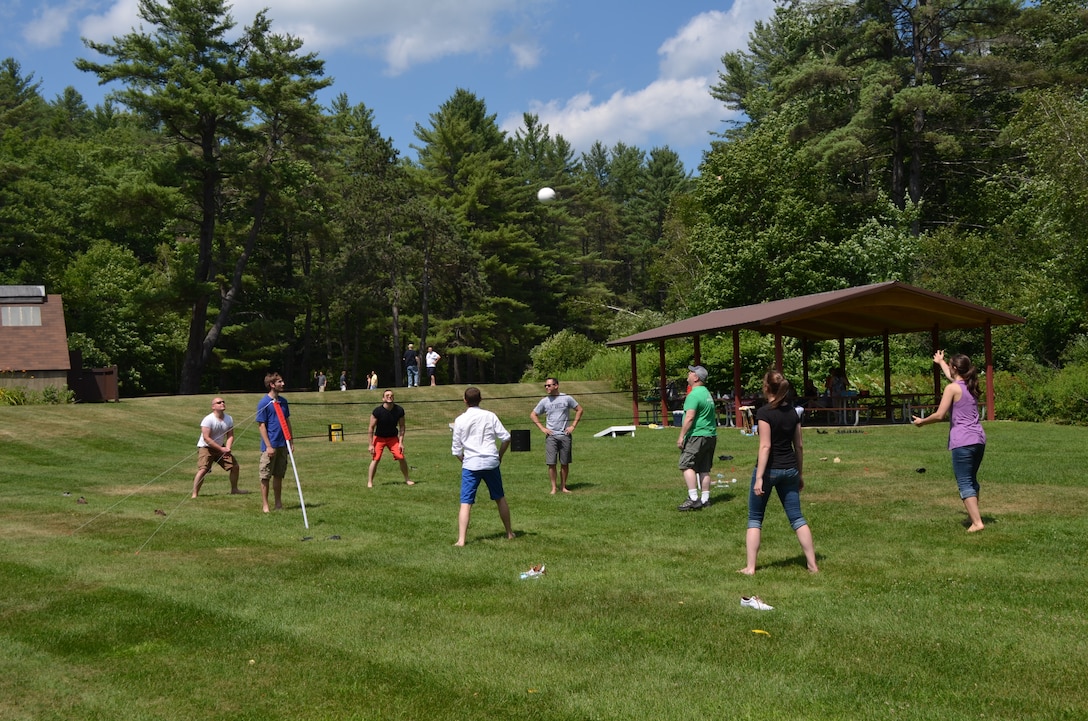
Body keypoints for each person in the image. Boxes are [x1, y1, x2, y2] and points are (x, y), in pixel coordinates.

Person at [738, 369, 819, 575]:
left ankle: (750, 567)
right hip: (790, 469)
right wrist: (799, 474)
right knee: (797, 518)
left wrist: (758, 478)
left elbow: (765, 446)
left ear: (766, 388)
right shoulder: (793, 412)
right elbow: (799, 446)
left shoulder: (765, 413)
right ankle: (812, 565)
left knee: (755, 518)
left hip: (769, 471)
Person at [912, 350, 987, 532]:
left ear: (955, 368)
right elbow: (951, 375)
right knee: (971, 480)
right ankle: (973, 517)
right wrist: (941, 362)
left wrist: (922, 422)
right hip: (979, 440)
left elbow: (939, 415)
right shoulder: (970, 385)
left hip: (962, 441)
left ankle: (977, 523)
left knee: (964, 482)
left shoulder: (952, 388)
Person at [451, 386, 514, 546]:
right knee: (499, 497)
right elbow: (506, 438)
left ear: (465, 400)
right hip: (491, 461)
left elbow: (456, 449)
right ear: (481, 399)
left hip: (471, 464)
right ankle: (509, 533)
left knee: (466, 502)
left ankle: (461, 540)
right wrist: (499, 456)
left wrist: (464, 460)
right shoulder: (490, 416)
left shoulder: (459, 420)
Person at [530, 377, 584, 494]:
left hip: (565, 435)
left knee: (564, 463)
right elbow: (533, 414)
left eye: (549, 385)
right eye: (546, 385)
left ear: (556, 386)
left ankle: (564, 486)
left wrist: (573, 426)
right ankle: (554, 488)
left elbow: (579, 410)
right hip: (551, 436)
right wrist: (543, 428)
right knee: (551, 463)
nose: (547, 387)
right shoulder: (544, 401)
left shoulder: (567, 398)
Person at [676, 365, 717, 511]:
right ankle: (705, 499)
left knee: (686, 465)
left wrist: (681, 436)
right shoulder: (706, 393)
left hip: (696, 435)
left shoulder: (693, 395)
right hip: (710, 435)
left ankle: (693, 498)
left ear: (696, 377)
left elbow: (690, 417)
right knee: (704, 468)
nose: (688, 373)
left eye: (691, 372)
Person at [191, 397, 246, 497]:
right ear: (213, 406)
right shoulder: (208, 419)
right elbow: (206, 438)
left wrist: (227, 448)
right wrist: (221, 449)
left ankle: (234, 489)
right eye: (219, 402)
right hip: (206, 447)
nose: (222, 403)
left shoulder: (229, 418)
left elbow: (230, 435)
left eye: (223, 402)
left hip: (221, 448)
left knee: (235, 467)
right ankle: (195, 494)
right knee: (203, 469)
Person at [256, 372, 295, 513]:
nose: (283, 384)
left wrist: (290, 440)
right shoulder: (264, 403)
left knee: (279, 474)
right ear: (272, 385)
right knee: (265, 475)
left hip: (283, 444)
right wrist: (268, 446)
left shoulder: (283, 401)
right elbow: (261, 426)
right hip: (270, 445)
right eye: (279, 382)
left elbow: (287, 421)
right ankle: (265, 505)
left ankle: (278, 503)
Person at [367, 389, 414, 487]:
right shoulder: (377, 411)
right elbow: (371, 428)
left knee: (401, 456)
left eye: (391, 395)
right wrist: (371, 444)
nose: (389, 397)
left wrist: (401, 442)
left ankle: (407, 479)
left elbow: (402, 426)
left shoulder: (399, 410)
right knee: (376, 458)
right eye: (387, 395)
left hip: (393, 438)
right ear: (383, 398)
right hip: (379, 438)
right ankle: (370, 482)